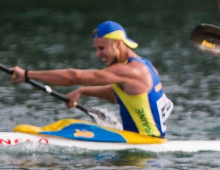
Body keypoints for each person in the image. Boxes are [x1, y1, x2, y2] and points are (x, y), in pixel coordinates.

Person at [9, 21, 173, 137]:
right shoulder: (146, 66)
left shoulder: (130, 71)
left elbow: (75, 76)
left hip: (145, 145)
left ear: (117, 43)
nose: (98, 54)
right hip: (144, 142)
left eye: (102, 48)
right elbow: (119, 95)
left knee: (70, 126)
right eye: (96, 49)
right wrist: (83, 91)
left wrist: (27, 75)